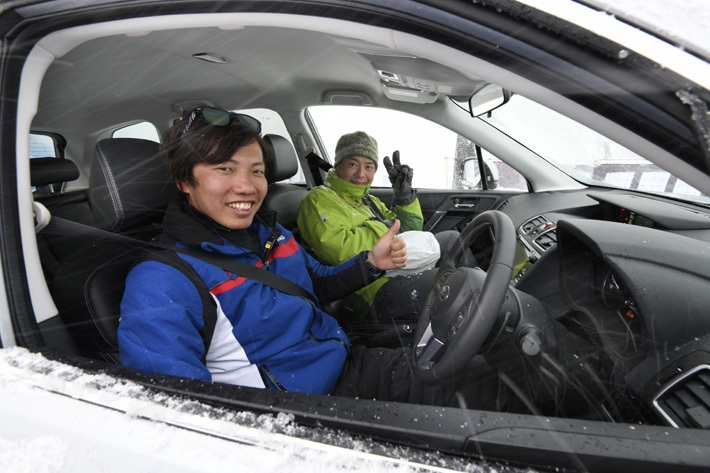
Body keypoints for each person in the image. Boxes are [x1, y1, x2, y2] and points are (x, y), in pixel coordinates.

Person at [117, 108, 521, 410]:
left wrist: (372, 263)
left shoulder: (268, 233)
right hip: (306, 410)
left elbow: (319, 283)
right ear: (184, 181)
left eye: (256, 171)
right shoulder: (161, 280)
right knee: (491, 389)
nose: (246, 185)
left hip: (340, 354)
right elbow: (178, 414)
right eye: (224, 168)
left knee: (495, 372)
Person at [297, 131, 471, 320]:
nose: (361, 174)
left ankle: (487, 292)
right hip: (366, 288)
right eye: (353, 164)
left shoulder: (367, 200)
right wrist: (387, 232)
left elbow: (409, 231)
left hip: (392, 266)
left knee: (453, 240)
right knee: (450, 283)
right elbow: (341, 252)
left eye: (369, 166)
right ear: (338, 165)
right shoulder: (318, 200)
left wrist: (404, 199)